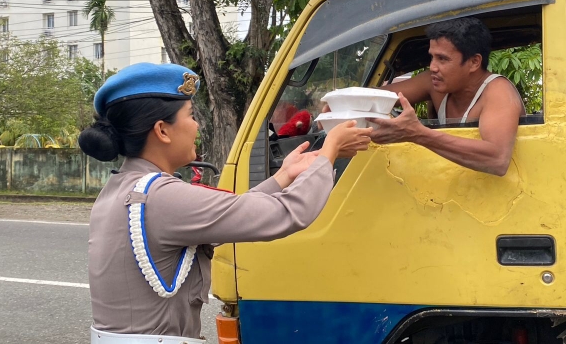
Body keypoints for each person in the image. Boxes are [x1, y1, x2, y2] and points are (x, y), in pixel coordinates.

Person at [81, 62, 372, 343]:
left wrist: (284, 175)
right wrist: (329, 151)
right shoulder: (161, 197)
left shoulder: (124, 189)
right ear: (162, 130)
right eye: (191, 115)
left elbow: (233, 212)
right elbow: (286, 213)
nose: (197, 126)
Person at [369, 17, 525, 176]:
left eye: (442, 59)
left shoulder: (498, 91)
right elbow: (372, 98)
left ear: (474, 62)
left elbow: (497, 160)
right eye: (432, 57)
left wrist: (417, 133)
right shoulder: (432, 81)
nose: (433, 67)